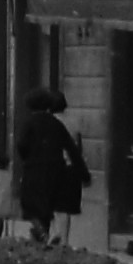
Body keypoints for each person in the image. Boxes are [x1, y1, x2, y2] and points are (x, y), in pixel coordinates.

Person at [13, 86, 90, 245]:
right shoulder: (56, 124)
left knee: (29, 205)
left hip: (34, 169)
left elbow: (21, 144)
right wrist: (84, 174)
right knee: (47, 206)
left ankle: (41, 233)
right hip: (56, 170)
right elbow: (72, 149)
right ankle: (44, 234)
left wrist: (27, 158)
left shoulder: (28, 123)